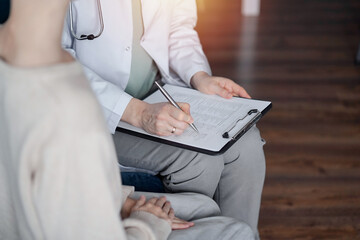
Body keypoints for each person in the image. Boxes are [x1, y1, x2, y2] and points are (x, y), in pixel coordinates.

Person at [0, 0, 255, 239]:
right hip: (105, 109)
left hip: (156, 93)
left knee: (247, 144)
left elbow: (179, 25)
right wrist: (137, 113)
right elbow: (54, 55)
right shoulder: (61, 114)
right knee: (202, 165)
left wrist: (198, 76)